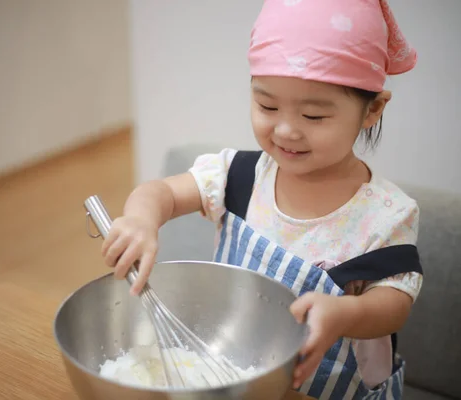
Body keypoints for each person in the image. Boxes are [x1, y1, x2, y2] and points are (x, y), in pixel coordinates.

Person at [101, 0, 423, 398]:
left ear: (372, 109)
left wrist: (346, 314)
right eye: (267, 105)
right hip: (236, 376)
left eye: (314, 116)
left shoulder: (385, 213)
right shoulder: (238, 176)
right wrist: (141, 218)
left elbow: (395, 303)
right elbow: (162, 193)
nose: (286, 130)